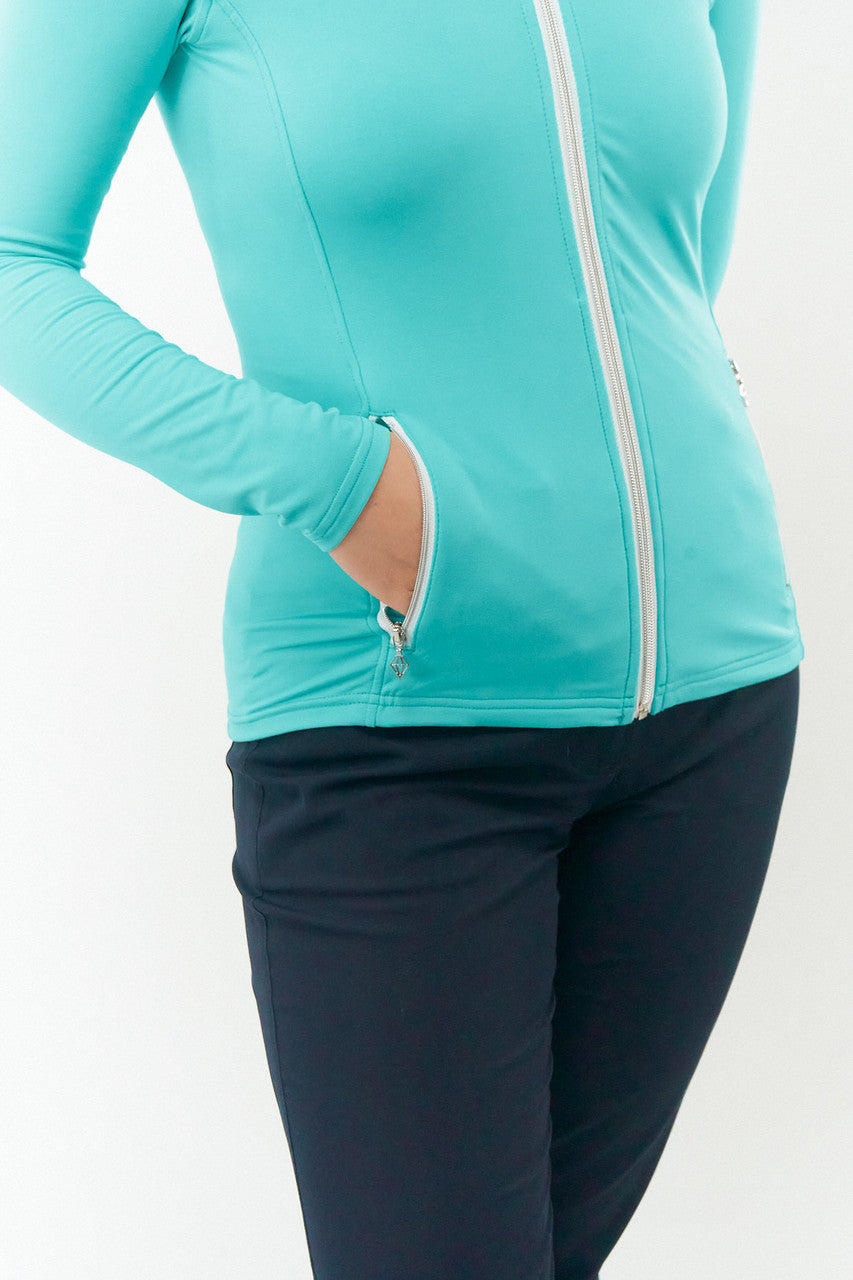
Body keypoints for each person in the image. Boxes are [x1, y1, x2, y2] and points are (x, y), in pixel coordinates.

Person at [0, 1, 803, 1277]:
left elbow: (672, 259)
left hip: (715, 709)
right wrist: (342, 485)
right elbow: (12, 261)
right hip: (390, 726)